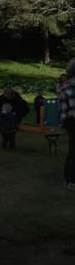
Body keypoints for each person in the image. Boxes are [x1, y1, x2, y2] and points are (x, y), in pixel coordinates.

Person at [58, 58, 75, 189]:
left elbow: (62, 110)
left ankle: (70, 180)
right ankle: (70, 180)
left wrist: (63, 124)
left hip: (71, 122)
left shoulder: (64, 87)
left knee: (73, 151)